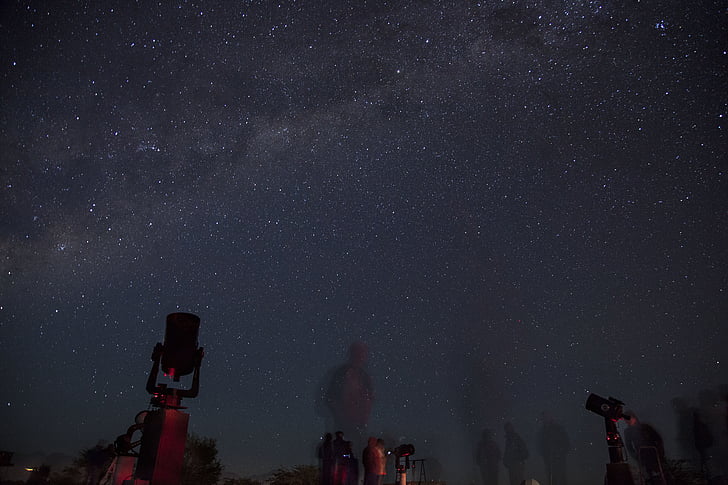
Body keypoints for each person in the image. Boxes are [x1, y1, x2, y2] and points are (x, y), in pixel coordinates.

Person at [623, 412, 667, 485]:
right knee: (647, 474)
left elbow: (658, 439)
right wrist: (635, 456)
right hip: (642, 454)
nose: (628, 421)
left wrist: (660, 451)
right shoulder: (628, 432)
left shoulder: (645, 427)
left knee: (660, 472)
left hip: (653, 452)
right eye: (626, 420)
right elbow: (629, 446)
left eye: (629, 418)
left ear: (634, 417)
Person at [537, 414, 570, 485]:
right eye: (543, 418)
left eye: (546, 418)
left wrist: (559, 453)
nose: (545, 420)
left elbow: (566, 444)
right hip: (549, 460)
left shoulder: (558, 429)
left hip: (559, 460)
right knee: (552, 479)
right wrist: (545, 455)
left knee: (561, 478)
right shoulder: (543, 431)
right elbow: (541, 445)